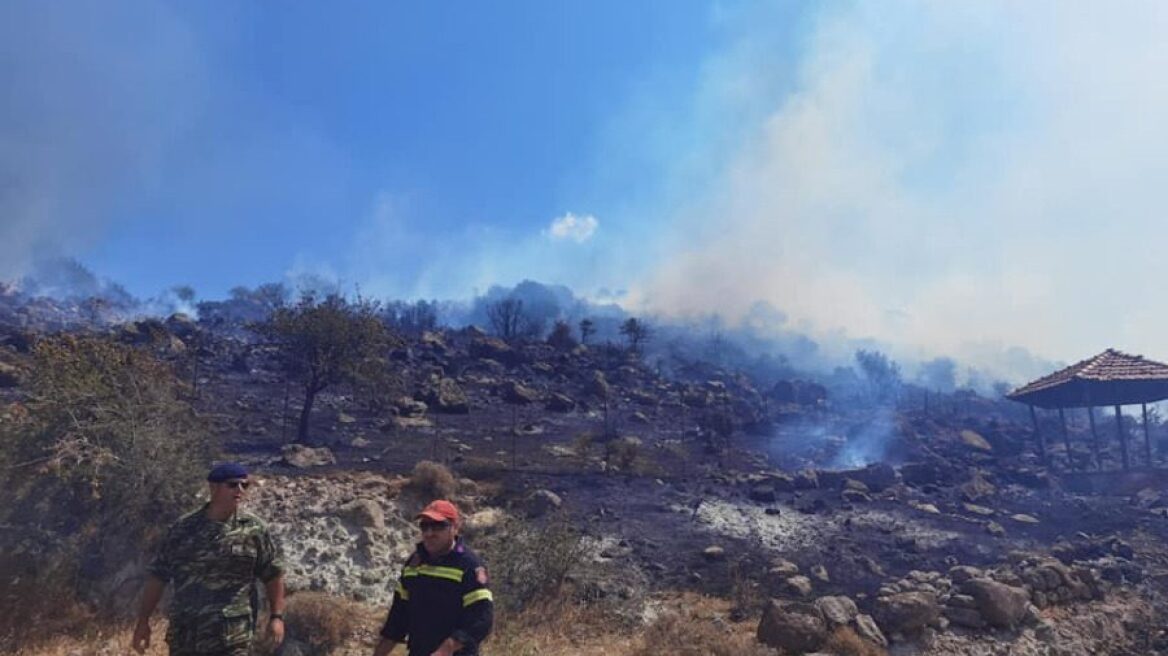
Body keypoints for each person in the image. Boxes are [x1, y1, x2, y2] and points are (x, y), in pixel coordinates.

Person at [132, 462, 286, 656]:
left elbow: (273, 575)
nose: (239, 490)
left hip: (233, 637)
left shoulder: (254, 530)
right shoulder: (184, 529)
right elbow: (158, 576)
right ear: (213, 488)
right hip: (187, 636)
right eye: (232, 485)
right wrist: (143, 621)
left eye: (244, 485)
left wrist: (276, 617)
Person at [374, 500, 493, 656]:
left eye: (438, 526)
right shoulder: (414, 563)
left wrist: (446, 650)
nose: (429, 533)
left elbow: (481, 619)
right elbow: (398, 617)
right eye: (424, 526)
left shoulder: (470, 566)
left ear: (455, 528)